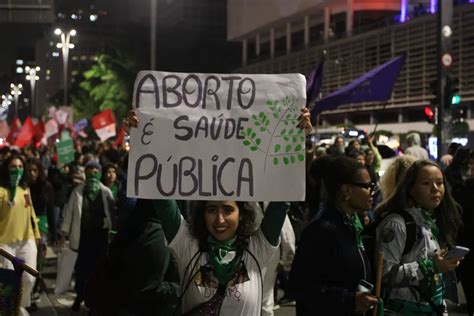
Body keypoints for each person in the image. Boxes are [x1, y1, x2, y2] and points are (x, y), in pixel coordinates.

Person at [124, 108, 312, 315]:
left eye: (228, 209)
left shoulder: (257, 250)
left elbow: (281, 201)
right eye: (212, 209)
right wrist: (141, 137)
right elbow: (160, 196)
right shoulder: (189, 246)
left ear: (241, 213)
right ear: (202, 213)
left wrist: (295, 139)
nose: (219, 219)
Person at [290, 156, 379, 315]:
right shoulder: (321, 230)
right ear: (347, 190)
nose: (372, 192)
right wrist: (350, 300)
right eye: (367, 186)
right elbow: (302, 287)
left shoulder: (352, 224)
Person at [375, 160, 464, 315]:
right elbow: (384, 275)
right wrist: (430, 266)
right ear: (410, 188)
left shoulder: (431, 220)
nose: (435, 189)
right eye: (425, 183)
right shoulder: (396, 224)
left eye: (439, 182)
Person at [60, 159, 115, 311]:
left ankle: (95, 301)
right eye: (89, 171)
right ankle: (80, 296)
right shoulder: (77, 192)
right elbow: (70, 213)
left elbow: (112, 216)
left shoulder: (106, 192)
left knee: (98, 269)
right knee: (82, 269)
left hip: (100, 237)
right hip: (83, 237)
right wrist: (64, 233)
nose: (92, 175)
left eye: (95, 172)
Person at [0, 155, 40, 314]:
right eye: (13, 167)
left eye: (20, 167)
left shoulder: (25, 188)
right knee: (8, 282)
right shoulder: (1, 191)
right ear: (6, 169)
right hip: (5, 243)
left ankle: (21, 306)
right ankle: (9, 310)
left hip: (27, 240)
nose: (17, 170)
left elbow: (31, 211)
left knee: (29, 278)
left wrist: (36, 233)